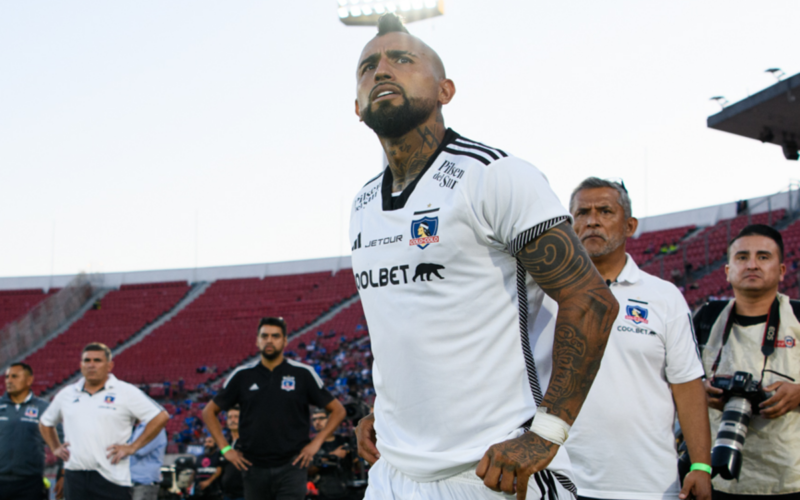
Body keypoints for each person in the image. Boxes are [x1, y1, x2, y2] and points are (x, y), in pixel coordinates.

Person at [349, 13, 618, 500]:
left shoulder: (495, 176)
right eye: (368, 66)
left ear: (446, 90)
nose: (382, 70)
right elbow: (405, 327)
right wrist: (379, 411)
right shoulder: (363, 203)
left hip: (493, 470)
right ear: (357, 106)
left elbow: (591, 300)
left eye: (402, 59)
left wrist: (546, 435)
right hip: (392, 474)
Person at [564, 178, 712, 500]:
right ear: (570, 224)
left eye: (605, 211)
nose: (592, 220)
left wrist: (701, 465)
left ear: (629, 225)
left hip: (648, 484)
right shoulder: (544, 296)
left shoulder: (664, 297)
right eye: (582, 213)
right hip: (561, 479)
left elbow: (687, 384)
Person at [694, 224, 800, 500]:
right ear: (728, 271)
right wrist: (698, 390)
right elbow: (670, 380)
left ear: (782, 270)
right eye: (742, 257)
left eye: (763, 257)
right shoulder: (706, 317)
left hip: (791, 477)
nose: (752, 264)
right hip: (716, 475)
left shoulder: (797, 317)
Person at [201, 317, 347, 500]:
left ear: (285, 341)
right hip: (252, 467)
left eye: (275, 336)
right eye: (264, 336)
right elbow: (209, 412)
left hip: (292, 465)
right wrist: (224, 449)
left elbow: (338, 410)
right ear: (257, 340)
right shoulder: (242, 376)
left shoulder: (302, 373)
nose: (269, 340)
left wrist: (315, 444)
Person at [39, 342, 170, 500]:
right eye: (87, 361)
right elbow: (46, 422)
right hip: (75, 476)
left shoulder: (125, 391)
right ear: (81, 365)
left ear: (109, 366)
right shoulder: (67, 394)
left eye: (97, 360)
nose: (91, 365)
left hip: (112, 478)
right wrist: (55, 448)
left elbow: (160, 416)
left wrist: (132, 447)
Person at [0, 363, 51, 500]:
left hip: (30, 483)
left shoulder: (44, 408)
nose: (9, 381)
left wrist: (64, 472)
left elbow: (62, 441)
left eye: (15, 376)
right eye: (7, 377)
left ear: (29, 380)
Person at [309, 409, 349, 500]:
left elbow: (356, 465)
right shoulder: (310, 445)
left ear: (331, 419)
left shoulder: (343, 441)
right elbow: (308, 470)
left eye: (321, 418)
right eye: (314, 419)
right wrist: (331, 456)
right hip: (321, 493)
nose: (317, 422)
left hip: (347, 491)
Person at [129, 420, 168, 500]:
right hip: (134, 481)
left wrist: (124, 448)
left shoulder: (155, 427)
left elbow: (140, 450)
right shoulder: (139, 427)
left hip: (144, 483)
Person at [218, 407, 245, 500]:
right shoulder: (225, 444)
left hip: (245, 494)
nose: (232, 420)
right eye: (230, 417)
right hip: (227, 495)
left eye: (236, 417)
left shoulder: (248, 443)